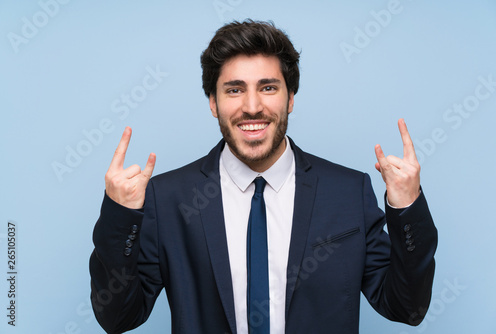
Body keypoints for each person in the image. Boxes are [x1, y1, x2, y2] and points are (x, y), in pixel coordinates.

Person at [89, 20, 438, 334]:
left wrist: (407, 206)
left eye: (268, 88)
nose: (252, 106)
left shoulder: (348, 192)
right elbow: (118, 318)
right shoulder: (168, 199)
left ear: (290, 99)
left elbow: (406, 308)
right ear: (213, 102)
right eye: (234, 89)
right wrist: (122, 217)